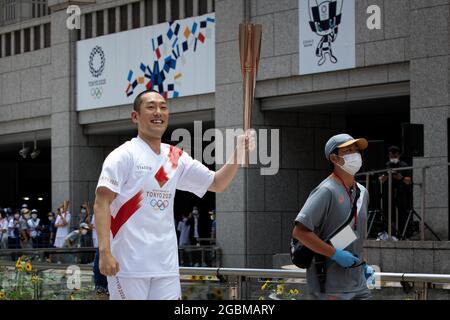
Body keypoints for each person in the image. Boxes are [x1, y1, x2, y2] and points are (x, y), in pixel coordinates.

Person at [94, 89, 255, 300]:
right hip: (128, 265)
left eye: (163, 107)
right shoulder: (123, 156)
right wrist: (105, 252)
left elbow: (217, 183)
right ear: (135, 116)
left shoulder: (175, 157)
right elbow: (101, 203)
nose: (158, 112)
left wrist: (238, 152)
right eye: (150, 107)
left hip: (166, 265)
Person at [292, 133, 375, 300]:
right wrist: (335, 254)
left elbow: (352, 234)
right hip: (329, 287)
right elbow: (299, 232)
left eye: (356, 150)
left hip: (358, 284)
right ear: (334, 158)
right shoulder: (326, 190)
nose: (355, 154)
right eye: (348, 150)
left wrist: (362, 263)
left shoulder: (362, 192)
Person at [378, 146, 412, 238]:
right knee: (387, 213)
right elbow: (380, 179)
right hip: (388, 192)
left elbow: (408, 181)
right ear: (388, 155)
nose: (393, 157)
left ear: (399, 155)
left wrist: (400, 177)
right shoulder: (386, 165)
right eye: (391, 155)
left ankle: (402, 233)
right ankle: (388, 233)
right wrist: (388, 175)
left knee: (402, 213)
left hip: (401, 191)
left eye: (395, 155)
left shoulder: (404, 165)